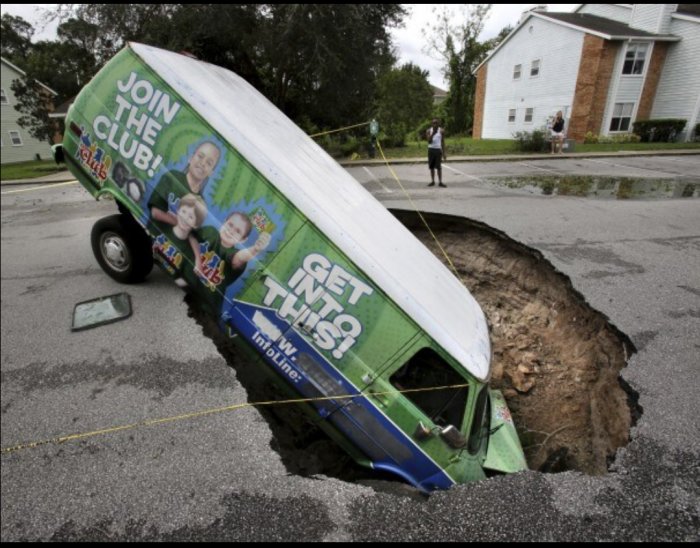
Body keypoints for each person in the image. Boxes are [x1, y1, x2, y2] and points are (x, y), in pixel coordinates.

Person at [191, 211, 272, 318]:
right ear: (224, 222)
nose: (231, 231)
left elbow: (238, 258)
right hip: (188, 286)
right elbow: (191, 236)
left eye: (238, 231)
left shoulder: (233, 254)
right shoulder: (210, 232)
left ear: (243, 239)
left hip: (206, 306)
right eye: (230, 225)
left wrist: (255, 250)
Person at [148, 140, 221, 225]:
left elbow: (191, 231)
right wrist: (181, 224)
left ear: (211, 173)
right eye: (200, 156)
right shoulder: (172, 177)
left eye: (209, 163)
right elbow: (155, 212)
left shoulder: (201, 203)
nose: (203, 163)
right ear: (190, 158)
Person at [426, 118, 447, 187]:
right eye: (433, 123)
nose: (435, 124)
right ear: (431, 124)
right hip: (431, 150)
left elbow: (443, 142)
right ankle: (432, 181)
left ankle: (440, 182)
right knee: (431, 167)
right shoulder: (429, 131)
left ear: (438, 124)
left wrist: (444, 153)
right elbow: (429, 141)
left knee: (439, 167)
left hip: (438, 150)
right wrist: (433, 134)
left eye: (436, 123)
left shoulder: (441, 131)